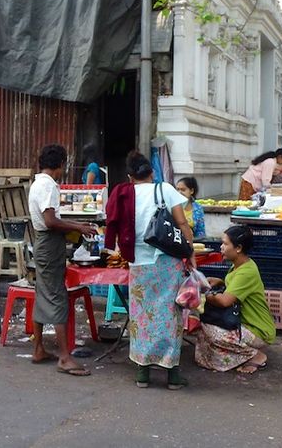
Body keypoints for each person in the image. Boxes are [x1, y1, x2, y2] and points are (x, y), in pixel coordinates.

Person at [105, 151, 194, 389]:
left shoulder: (124, 193)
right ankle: (172, 374)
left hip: (138, 263)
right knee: (169, 315)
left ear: (130, 176)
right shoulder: (164, 189)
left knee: (141, 316)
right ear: (152, 173)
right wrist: (190, 253)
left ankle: (142, 372)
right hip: (167, 261)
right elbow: (183, 223)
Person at [28, 144, 97, 377]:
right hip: (49, 243)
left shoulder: (37, 183)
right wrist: (79, 226)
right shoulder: (48, 186)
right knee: (57, 297)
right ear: (60, 165)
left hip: (43, 243)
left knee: (43, 293)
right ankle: (65, 357)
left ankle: (38, 348)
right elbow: (50, 221)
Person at [194, 225, 276, 373]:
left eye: (225, 244)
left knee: (209, 330)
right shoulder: (239, 266)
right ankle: (241, 356)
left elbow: (225, 301)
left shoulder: (246, 272)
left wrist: (204, 295)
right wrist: (221, 281)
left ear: (238, 248)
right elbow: (235, 286)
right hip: (243, 323)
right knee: (203, 342)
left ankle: (255, 355)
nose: (221, 247)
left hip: (257, 329)